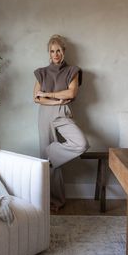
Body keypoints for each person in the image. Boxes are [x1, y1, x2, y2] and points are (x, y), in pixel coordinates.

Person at [33, 34, 89, 212]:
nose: (55, 54)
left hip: (62, 113)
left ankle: (48, 153)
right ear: (49, 53)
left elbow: (71, 94)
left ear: (63, 52)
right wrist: (56, 100)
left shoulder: (72, 70)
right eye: (52, 51)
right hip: (45, 113)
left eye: (58, 50)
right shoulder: (41, 72)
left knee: (80, 143)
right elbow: (36, 97)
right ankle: (54, 201)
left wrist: (48, 95)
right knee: (51, 164)